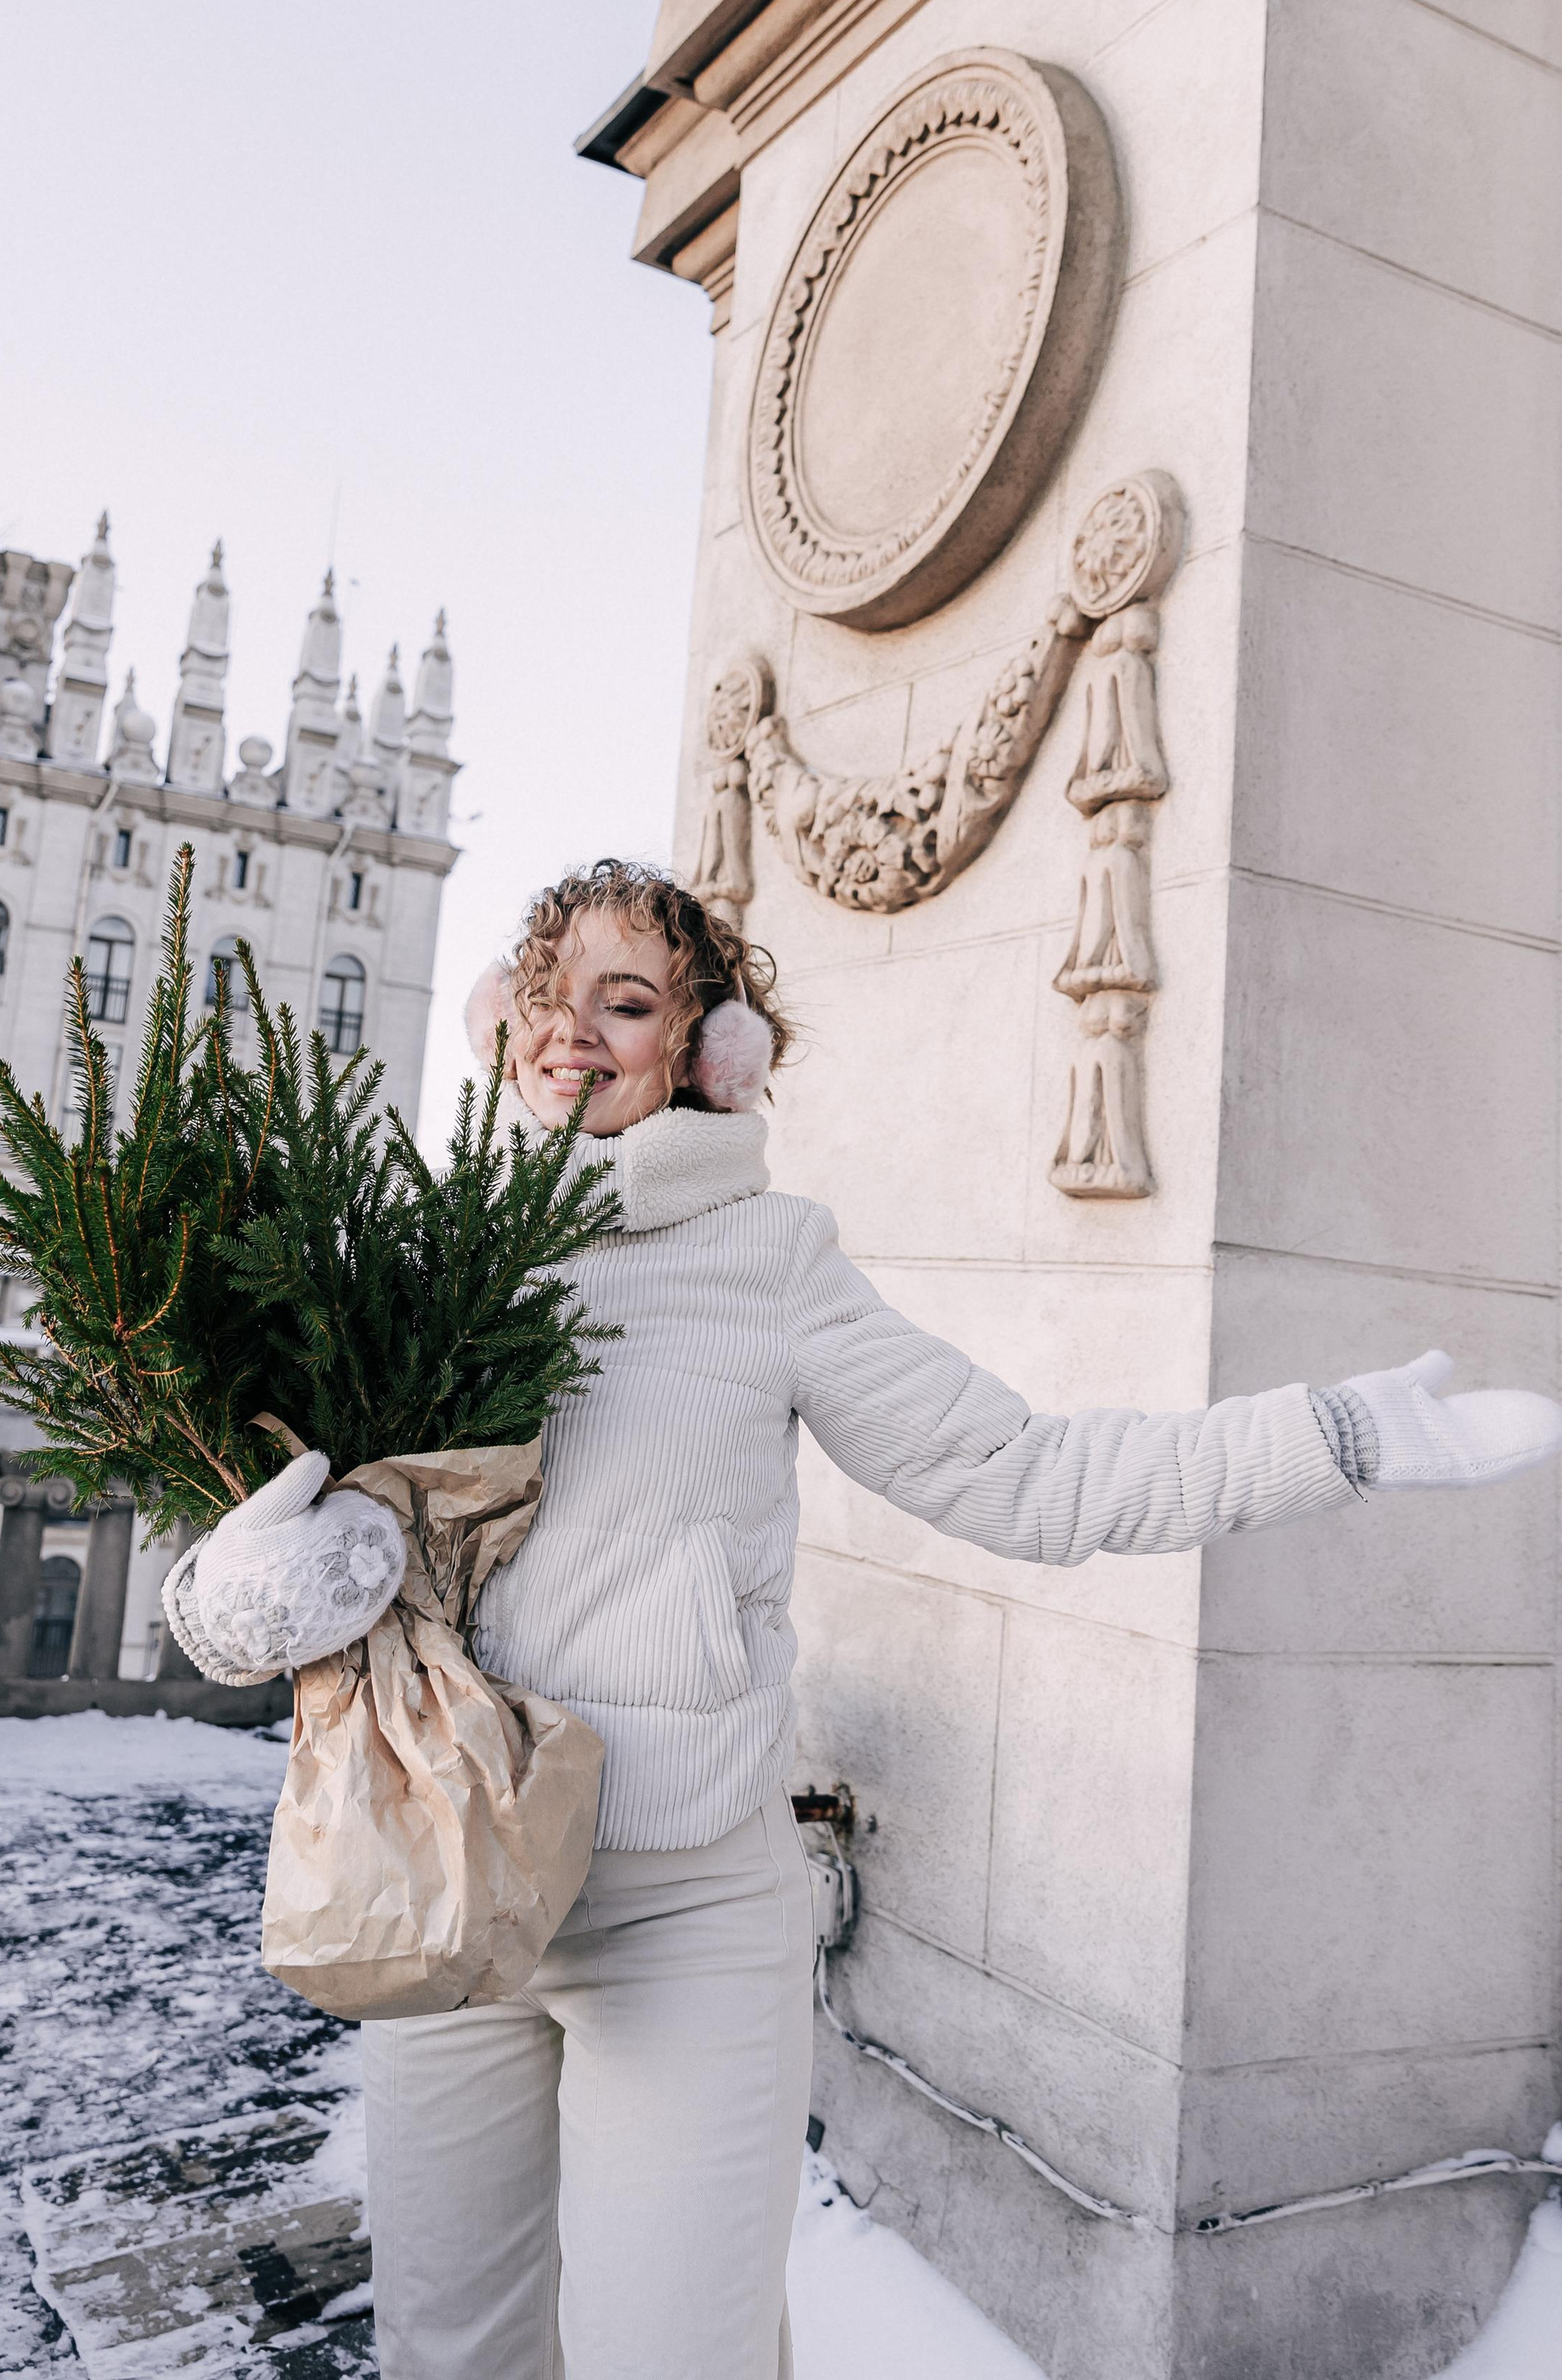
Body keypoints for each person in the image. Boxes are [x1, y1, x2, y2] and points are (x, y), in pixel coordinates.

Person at [172, 858, 1562, 2380]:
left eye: (624, 1000)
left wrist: (1334, 1437)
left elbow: (1021, 1473)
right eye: (549, 995)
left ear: (705, 1049)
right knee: (454, 2350)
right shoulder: (422, 1259)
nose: (576, 1031)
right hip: (439, 1888)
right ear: (503, 1028)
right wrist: (230, 1594)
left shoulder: (770, 1264)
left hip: (675, 1911)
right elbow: (253, 1518)